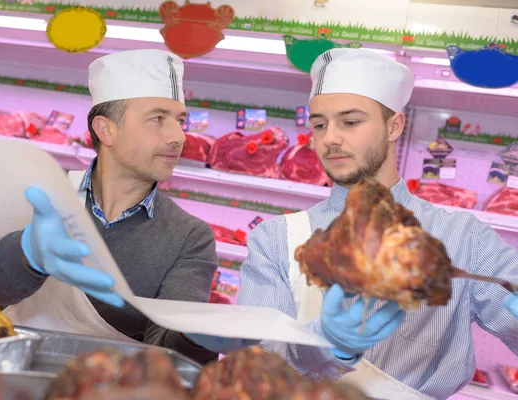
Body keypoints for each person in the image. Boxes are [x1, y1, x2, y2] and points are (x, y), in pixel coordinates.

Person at [188, 48, 518, 398]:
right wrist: (324, 347)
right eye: (319, 124)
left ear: (394, 126)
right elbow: (255, 363)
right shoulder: (276, 239)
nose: (329, 137)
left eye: (350, 122)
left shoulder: (463, 239)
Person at [0, 49, 219, 365]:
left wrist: (198, 338)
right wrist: (27, 251)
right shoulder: (39, 193)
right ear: (106, 130)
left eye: (180, 120)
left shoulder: (190, 237)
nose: (178, 136)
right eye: (158, 119)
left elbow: (168, 357)